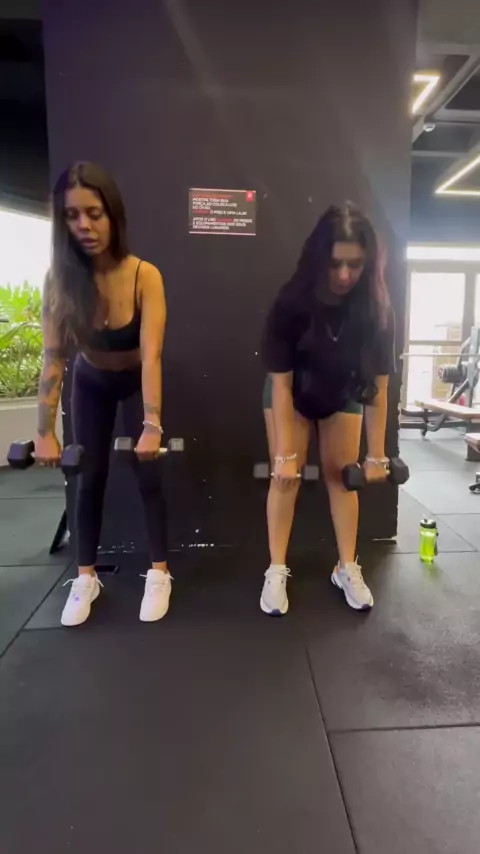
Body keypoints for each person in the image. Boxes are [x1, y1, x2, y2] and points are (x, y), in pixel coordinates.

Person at [35, 162, 170, 627]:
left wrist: (152, 425)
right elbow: (54, 358)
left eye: (94, 213)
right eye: (72, 216)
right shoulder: (58, 280)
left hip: (135, 378)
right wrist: (44, 432)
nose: (84, 226)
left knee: (147, 473)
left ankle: (159, 572)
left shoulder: (144, 276)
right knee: (87, 478)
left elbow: (151, 356)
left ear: (113, 215)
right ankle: (86, 577)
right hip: (90, 382)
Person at [260, 202, 394, 616]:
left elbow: (379, 386)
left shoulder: (375, 308)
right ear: (320, 258)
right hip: (292, 393)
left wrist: (377, 455)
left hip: (342, 392)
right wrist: (284, 454)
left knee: (342, 478)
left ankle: (346, 567)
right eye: (336, 263)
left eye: (355, 264)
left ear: (368, 263)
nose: (345, 275)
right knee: (285, 478)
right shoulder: (291, 303)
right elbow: (281, 384)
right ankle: (276, 569)